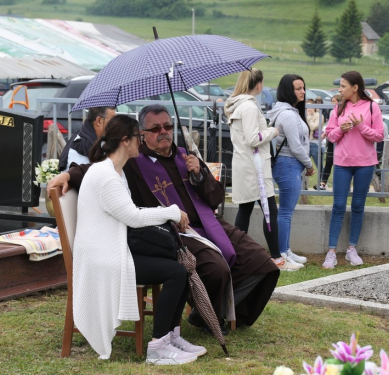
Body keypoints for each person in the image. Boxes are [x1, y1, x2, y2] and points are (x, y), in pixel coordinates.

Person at [48, 104, 280, 333]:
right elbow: (97, 169)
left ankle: (223, 312)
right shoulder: (134, 161)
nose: (163, 132)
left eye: (168, 126)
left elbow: (215, 197)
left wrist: (199, 173)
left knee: (262, 264)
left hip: (209, 222)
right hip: (175, 231)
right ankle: (210, 314)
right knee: (216, 269)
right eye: (156, 128)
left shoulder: (185, 156)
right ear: (142, 134)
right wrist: (68, 174)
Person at [72, 114, 204, 364]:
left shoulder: (115, 172)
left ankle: (172, 336)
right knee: (175, 272)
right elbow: (133, 217)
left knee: (181, 266)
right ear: (124, 141)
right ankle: (157, 348)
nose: (140, 143)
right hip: (104, 256)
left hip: (114, 247)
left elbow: (130, 212)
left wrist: (170, 213)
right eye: (138, 137)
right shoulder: (107, 176)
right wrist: (173, 211)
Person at [224, 69, 293, 270]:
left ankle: (236, 255)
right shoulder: (249, 107)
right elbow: (253, 138)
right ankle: (276, 258)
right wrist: (272, 131)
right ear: (259, 84)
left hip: (244, 164)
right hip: (255, 167)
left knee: (245, 210)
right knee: (269, 210)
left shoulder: (236, 105)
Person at [322, 71, 384, 269]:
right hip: (342, 163)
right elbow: (330, 136)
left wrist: (361, 126)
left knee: (358, 206)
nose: (340, 89)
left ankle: (351, 249)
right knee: (338, 206)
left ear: (355, 87)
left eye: (343, 86)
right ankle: (331, 251)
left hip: (365, 164)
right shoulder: (338, 108)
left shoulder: (372, 107)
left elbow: (379, 136)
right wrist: (342, 129)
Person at [267, 74, 314, 268]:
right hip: (288, 163)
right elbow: (295, 146)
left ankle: (286, 249)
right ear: (288, 90)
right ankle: (283, 253)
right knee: (285, 212)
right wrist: (309, 164)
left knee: (286, 211)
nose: (303, 91)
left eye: (303, 87)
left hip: (290, 164)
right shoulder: (287, 114)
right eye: (298, 88)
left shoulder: (290, 112)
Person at [58, 106, 116, 171]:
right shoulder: (81, 145)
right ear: (99, 121)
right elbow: (81, 177)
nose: (115, 123)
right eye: (112, 120)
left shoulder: (94, 139)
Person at [318, 94, 342, 191]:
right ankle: (323, 182)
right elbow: (329, 126)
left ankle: (339, 184)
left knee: (339, 164)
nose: (332, 103)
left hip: (340, 140)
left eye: (334, 101)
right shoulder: (332, 111)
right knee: (328, 162)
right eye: (331, 101)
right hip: (332, 140)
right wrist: (325, 134)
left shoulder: (339, 110)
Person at [306, 98, 325, 178]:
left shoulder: (319, 115)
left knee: (319, 166)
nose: (309, 109)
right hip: (306, 143)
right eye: (307, 107)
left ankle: (322, 183)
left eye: (310, 107)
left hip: (315, 143)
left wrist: (309, 117)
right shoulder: (305, 115)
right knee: (303, 166)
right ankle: (304, 186)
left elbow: (313, 127)